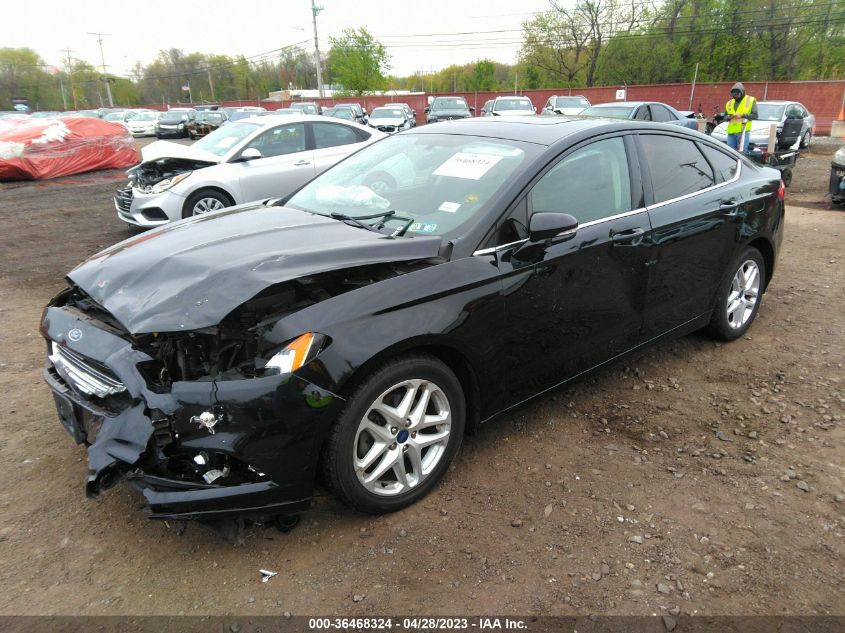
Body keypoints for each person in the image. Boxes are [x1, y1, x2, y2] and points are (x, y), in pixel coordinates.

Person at [722, 83, 758, 153]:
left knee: (742, 153)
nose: (735, 96)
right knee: (730, 153)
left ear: (742, 92)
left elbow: (755, 116)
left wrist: (742, 115)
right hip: (731, 132)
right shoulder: (729, 103)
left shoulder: (750, 100)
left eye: (737, 94)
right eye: (734, 94)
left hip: (743, 131)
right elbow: (725, 117)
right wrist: (729, 117)